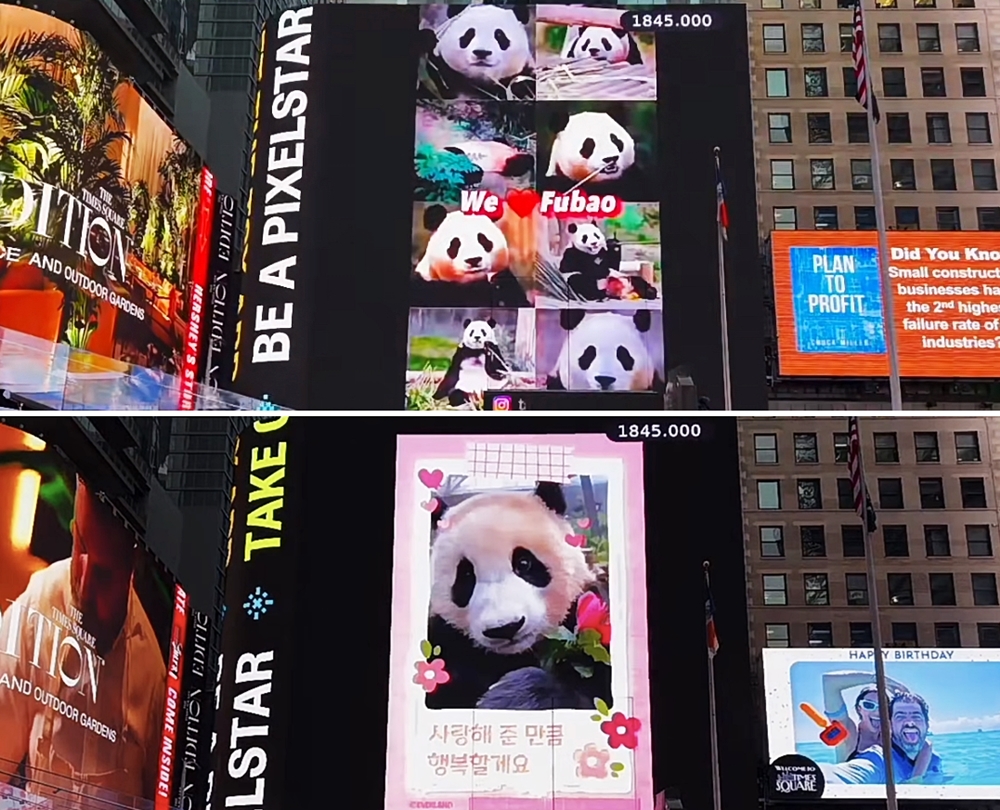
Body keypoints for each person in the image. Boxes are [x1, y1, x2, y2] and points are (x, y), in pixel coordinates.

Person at [0, 476, 166, 802]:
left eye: (104, 572)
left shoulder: (153, 676)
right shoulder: (38, 605)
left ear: (134, 565)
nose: (84, 580)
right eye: (81, 548)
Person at [821, 692, 945, 785]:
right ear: (890, 723)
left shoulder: (933, 757)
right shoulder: (878, 758)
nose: (910, 723)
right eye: (900, 716)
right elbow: (837, 776)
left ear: (927, 724)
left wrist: (916, 779)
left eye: (916, 716)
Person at [821, 670, 909, 763]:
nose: (877, 712)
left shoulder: (895, 737)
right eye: (869, 705)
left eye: (883, 706)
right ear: (859, 709)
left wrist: (903, 694)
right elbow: (829, 682)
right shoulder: (849, 734)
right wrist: (877, 679)